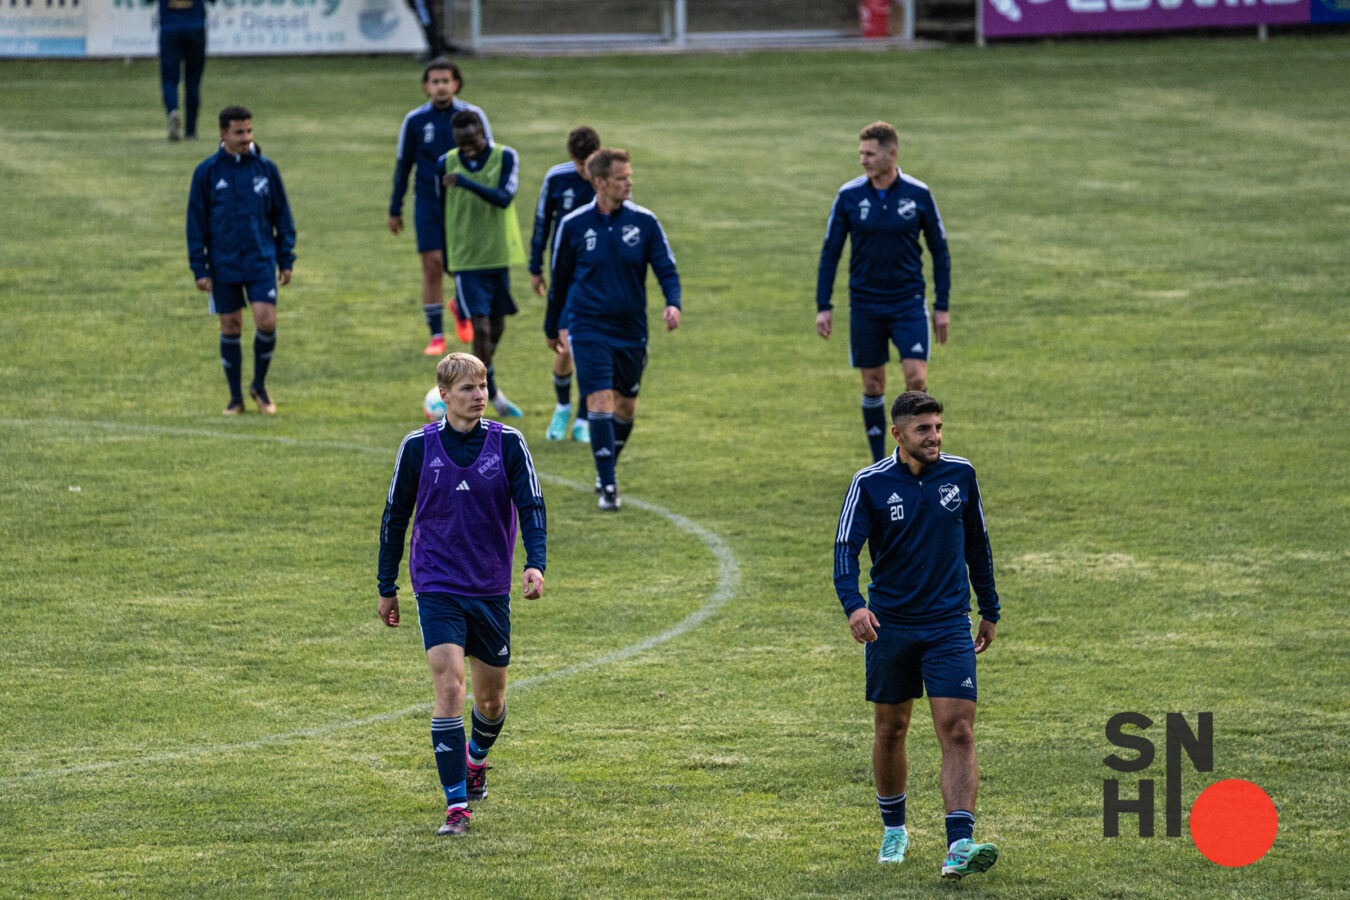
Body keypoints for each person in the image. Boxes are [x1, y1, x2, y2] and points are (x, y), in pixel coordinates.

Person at [377, 351, 546, 837]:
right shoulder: (417, 447)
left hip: (490, 587)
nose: (479, 396)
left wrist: (535, 562)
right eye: (468, 388)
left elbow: (532, 506)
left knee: (490, 703)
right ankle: (456, 808)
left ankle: (476, 760)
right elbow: (395, 518)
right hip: (436, 584)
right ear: (444, 395)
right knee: (450, 688)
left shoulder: (509, 443)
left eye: (483, 386)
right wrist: (387, 586)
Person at [832, 391, 1001, 878]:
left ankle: (959, 844)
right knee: (891, 729)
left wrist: (989, 608)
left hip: (949, 623)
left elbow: (978, 545)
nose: (935, 437)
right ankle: (894, 829)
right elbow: (845, 550)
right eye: (924, 429)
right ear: (898, 433)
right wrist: (854, 606)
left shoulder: (961, 475)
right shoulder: (869, 483)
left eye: (938, 427)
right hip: (890, 626)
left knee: (959, 729)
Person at [544, 148, 681, 511]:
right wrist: (552, 325)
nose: (629, 183)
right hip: (587, 326)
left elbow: (666, 268)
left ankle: (607, 465)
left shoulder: (645, 222)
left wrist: (673, 302)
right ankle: (608, 486)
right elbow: (559, 282)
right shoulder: (573, 225)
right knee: (599, 400)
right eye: (621, 178)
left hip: (631, 330)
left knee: (626, 406)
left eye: (629, 176)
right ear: (600, 182)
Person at [816, 121, 952, 463]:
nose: (862, 160)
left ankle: (917, 458)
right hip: (866, 305)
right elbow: (831, 252)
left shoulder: (918, 194)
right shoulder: (849, 196)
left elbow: (939, 249)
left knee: (916, 379)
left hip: (908, 302)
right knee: (873, 384)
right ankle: (881, 464)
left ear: (891, 154)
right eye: (861, 153)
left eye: (869, 154)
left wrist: (942, 306)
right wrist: (823, 305)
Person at [187, 106, 296, 415]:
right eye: (239, 132)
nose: (246, 138)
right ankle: (235, 398)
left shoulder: (266, 169)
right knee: (231, 325)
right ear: (223, 134)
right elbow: (196, 224)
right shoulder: (207, 172)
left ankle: (258, 386)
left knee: (266, 320)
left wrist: (286, 258)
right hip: (223, 264)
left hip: (261, 259)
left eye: (249, 131)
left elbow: (282, 216)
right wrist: (199, 268)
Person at [388, 59, 490, 356]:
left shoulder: (472, 116)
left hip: (463, 203)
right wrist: (395, 208)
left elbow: (489, 158)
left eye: (446, 81)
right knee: (432, 264)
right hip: (428, 203)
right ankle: (436, 335)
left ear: (456, 84)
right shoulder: (415, 121)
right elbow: (403, 166)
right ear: (426, 87)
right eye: (435, 82)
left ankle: (461, 307)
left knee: (461, 265)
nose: (441, 86)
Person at [437, 109, 526, 419]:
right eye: (461, 143)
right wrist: (447, 255)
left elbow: (504, 197)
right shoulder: (445, 163)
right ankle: (480, 396)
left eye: (472, 141)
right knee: (481, 327)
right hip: (466, 257)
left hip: (497, 253)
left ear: (482, 132)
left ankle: (487, 381)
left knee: (497, 326)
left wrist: (465, 182)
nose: (468, 148)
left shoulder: (505, 157)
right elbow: (441, 211)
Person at [528, 126, 602, 444]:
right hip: (566, 276)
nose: (586, 171)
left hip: (598, 277)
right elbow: (541, 222)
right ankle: (562, 406)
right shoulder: (557, 178)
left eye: (590, 163)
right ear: (572, 158)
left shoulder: (608, 179)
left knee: (588, 348)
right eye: (580, 164)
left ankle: (584, 417)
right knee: (565, 347)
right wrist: (535, 267)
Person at [146, 0, 216, 141]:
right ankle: (191, 130)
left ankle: (173, 110)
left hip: (170, 27)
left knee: (169, 79)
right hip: (195, 26)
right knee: (193, 81)